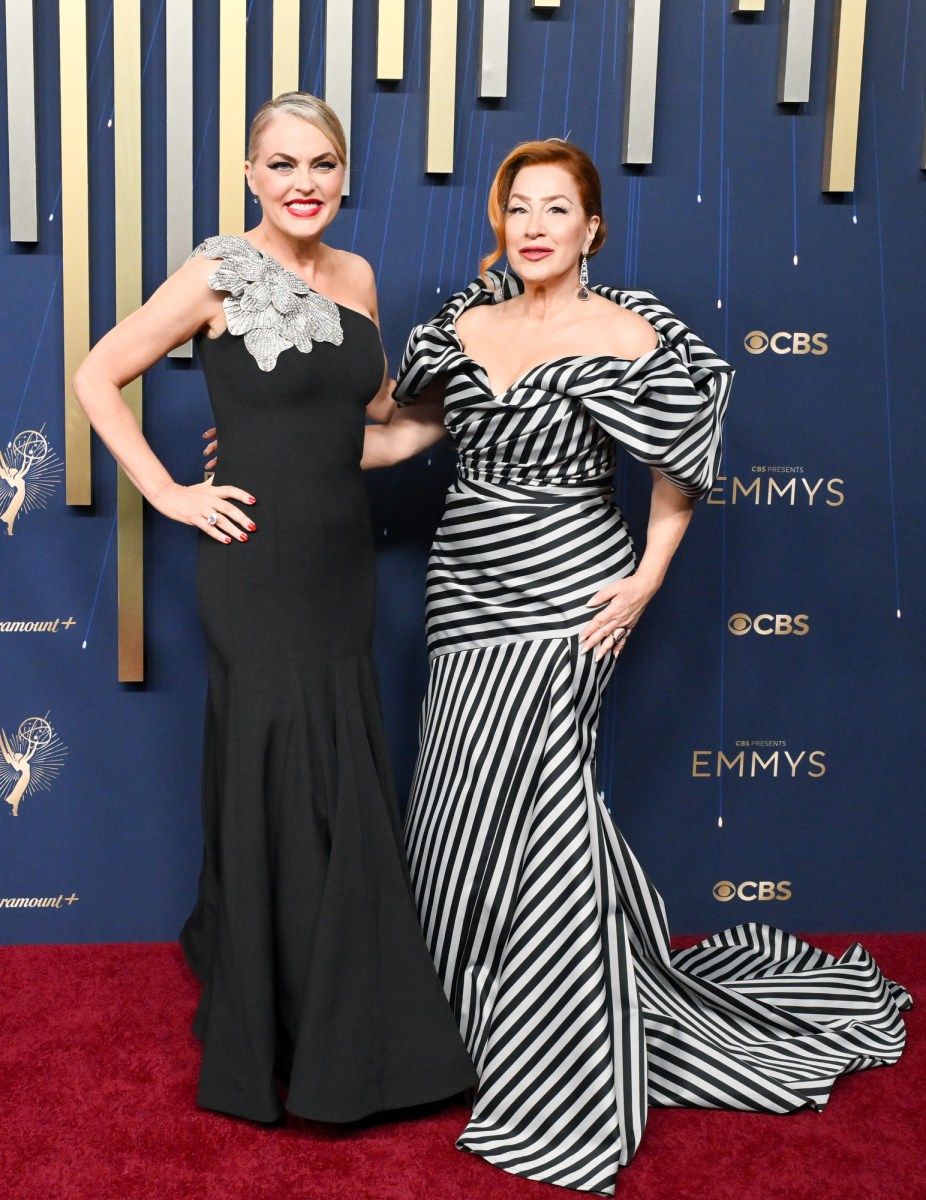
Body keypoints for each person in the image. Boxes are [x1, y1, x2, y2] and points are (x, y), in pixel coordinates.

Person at [362, 139, 911, 1194]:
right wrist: (281, 453)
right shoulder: (463, 327)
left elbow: (679, 467)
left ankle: (560, 1053)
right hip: (465, 587)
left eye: (555, 208)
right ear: (500, 223)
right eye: (518, 208)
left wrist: (646, 579)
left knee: (544, 803)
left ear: (591, 227)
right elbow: (396, 440)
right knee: (452, 802)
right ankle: (459, 1023)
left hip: (571, 591)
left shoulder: (628, 331)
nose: (534, 226)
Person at [72, 92, 476, 1126]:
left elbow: (372, 426)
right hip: (255, 568)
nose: (304, 182)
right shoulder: (217, 271)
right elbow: (97, 373)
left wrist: (480, 364)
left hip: (339, 566)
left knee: (336, 775)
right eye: (283, 163)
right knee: (283, 772)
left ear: (344, 175)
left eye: (322, 163)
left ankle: (337, 1009)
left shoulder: (360, 278)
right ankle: (281, 1024)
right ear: (250, 175)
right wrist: (170, 493)